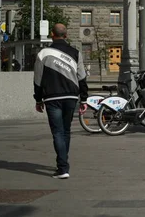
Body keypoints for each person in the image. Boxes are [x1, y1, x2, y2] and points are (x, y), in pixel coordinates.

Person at [33, 23, 88, 179]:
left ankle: (62, 167)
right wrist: (84, 99)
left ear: (52, 34)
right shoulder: (76, 53)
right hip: (71, 97)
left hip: (52, 97)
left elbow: (37, 79)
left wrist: (38, 99)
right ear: (66, 35)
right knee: (66, 130)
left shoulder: (43, 53)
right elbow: (82, 77)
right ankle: (63, 163)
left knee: (57, 132)